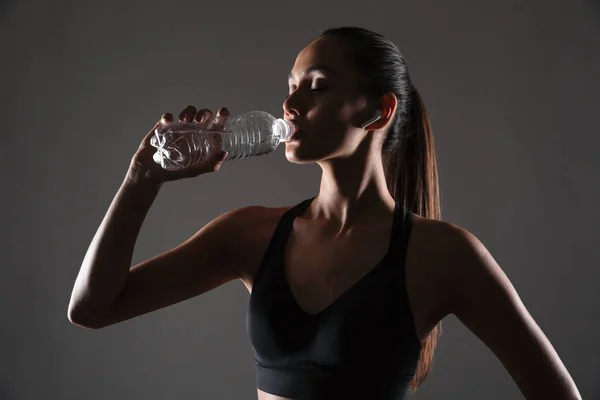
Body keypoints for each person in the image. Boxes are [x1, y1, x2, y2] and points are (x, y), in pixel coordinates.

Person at [68, 26, 582, 400]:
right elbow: (92, 309)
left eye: (315, 85)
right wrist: (142, 179)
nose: (291, 105)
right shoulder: (249, 234)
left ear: (377, 111)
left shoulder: (443, 254)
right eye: (291, 86)